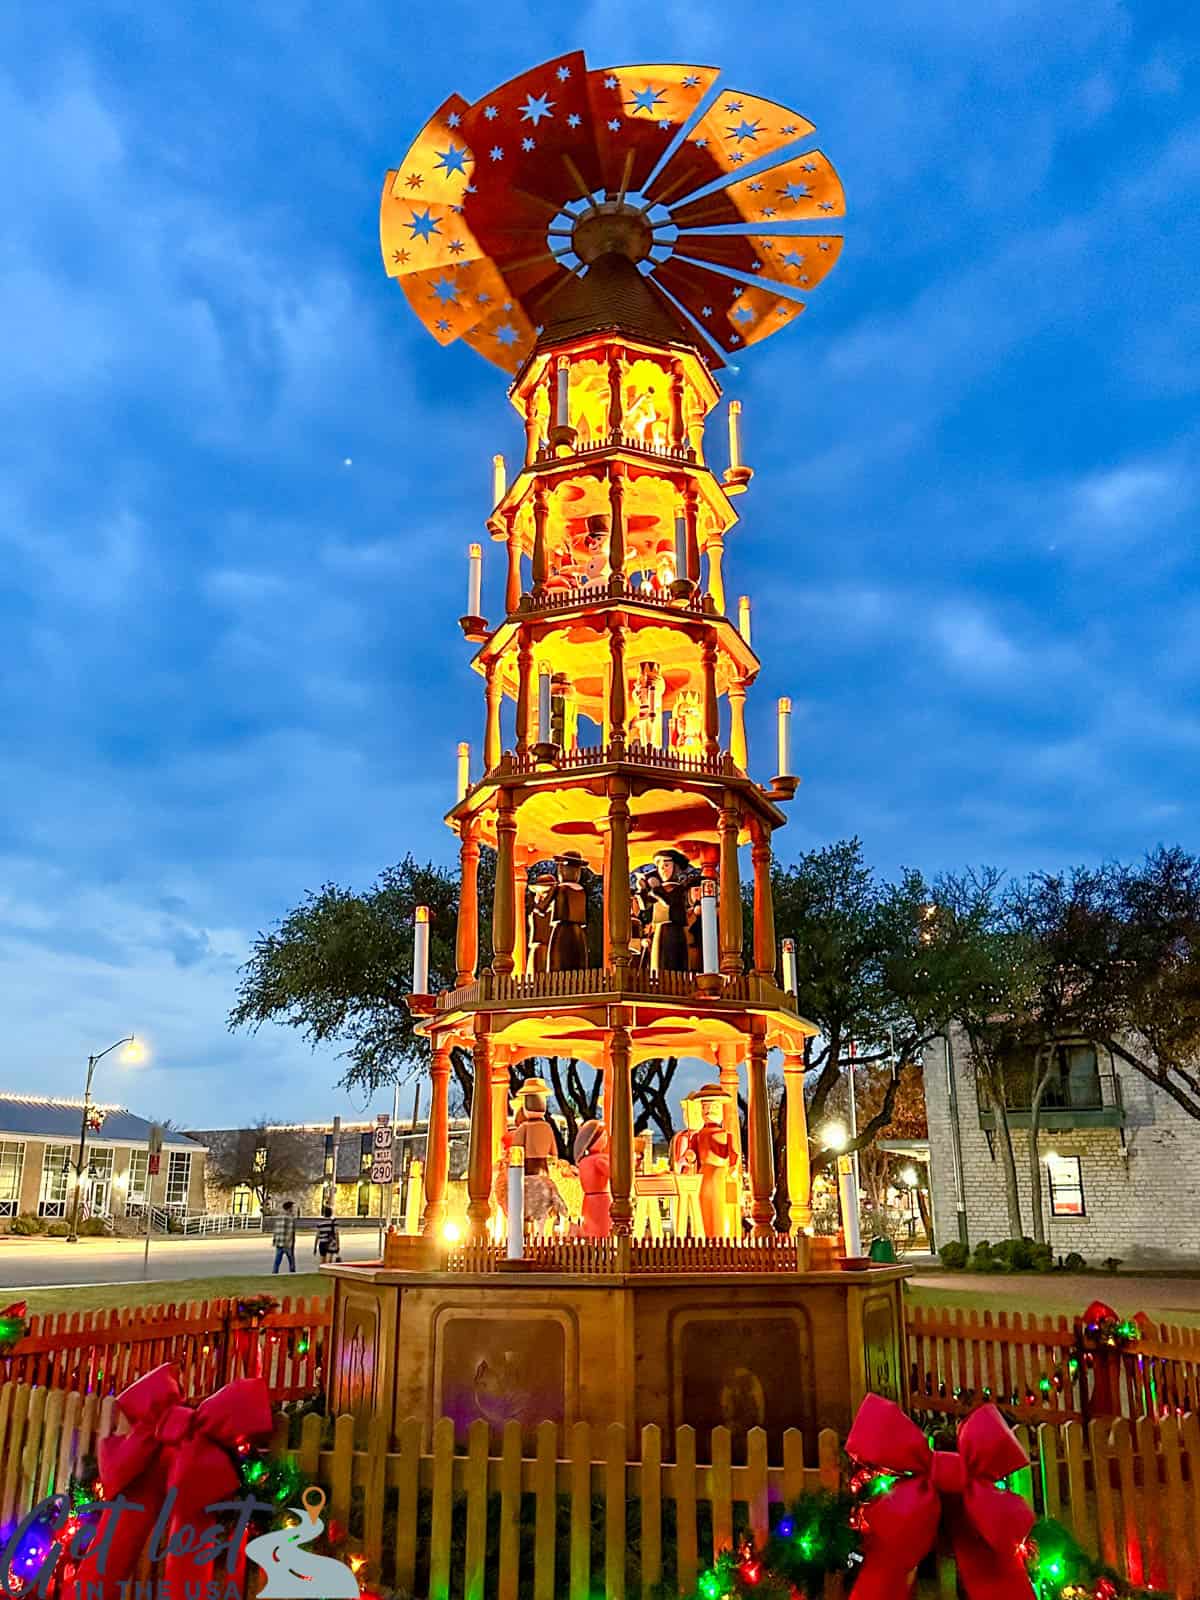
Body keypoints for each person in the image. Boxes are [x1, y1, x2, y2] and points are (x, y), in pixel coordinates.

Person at [272, 1200, 297, 1273]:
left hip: (279, 1242)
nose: (293, 1209)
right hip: (287, 1243)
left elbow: (276, 1230)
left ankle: (274, 1272)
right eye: (292, 1207)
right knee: (291, 1260)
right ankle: (292, 1273)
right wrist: (291, 1242)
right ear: (289, 1208)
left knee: (277, 1260)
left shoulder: (279, 1217)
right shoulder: (290, 1218)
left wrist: (274, 1240)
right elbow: (290, 1231)